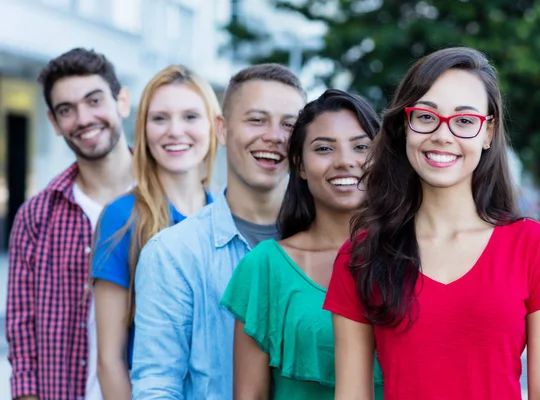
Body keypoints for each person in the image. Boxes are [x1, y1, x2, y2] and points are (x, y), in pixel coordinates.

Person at [323, 47, 540, 400]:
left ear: (488, 132)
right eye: (426, 116)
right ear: (405, 126)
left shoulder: (533, 246)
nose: (443, 135)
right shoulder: (363, 254)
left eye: (464, 120)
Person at [130, 63, 306, 399]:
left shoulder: (333, 246)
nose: (274, 135)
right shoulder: (172, 253)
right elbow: (157, 384)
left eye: (289, 124)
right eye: (257, 119)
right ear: (222, 130)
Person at [220, 89, 384, 399]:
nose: (345, 161)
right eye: (324, 148)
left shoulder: (417, 256)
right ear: (301, 165)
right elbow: (249, 394)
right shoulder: (265, 266)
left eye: (361, 147)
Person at [6, 48, 135, 400]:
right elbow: (21, 330)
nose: (83, 118)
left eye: (94, 101)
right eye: (66, 110)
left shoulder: (165, 203)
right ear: (53, 122)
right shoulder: (36, 215)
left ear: (121, 101)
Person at [90, 65, 221, 400]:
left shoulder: (226, 214)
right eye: (160, 118)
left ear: (214, 126)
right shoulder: (121, 217)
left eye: (190, 117)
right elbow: (110, 360)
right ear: (143, 130)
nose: (175, 131)